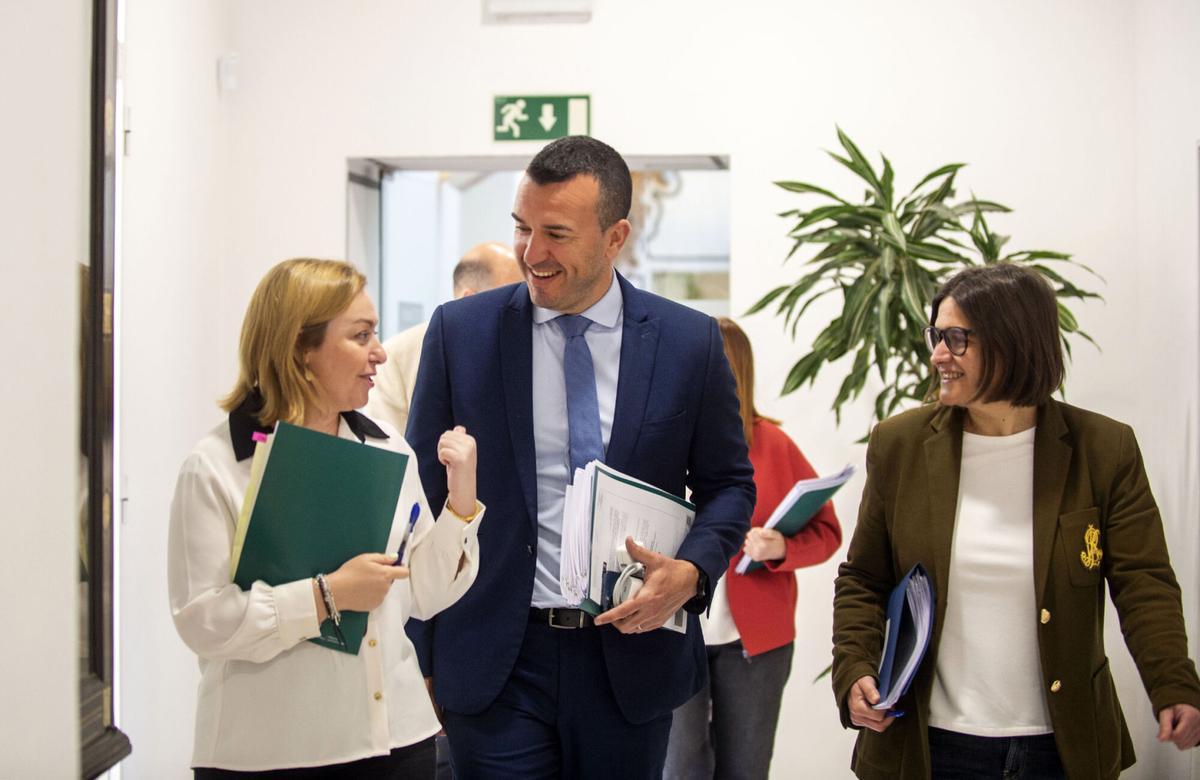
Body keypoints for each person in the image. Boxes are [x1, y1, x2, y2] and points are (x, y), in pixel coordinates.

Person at [404, 135, 756, 778]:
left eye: (557, 234)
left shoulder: (688, 341)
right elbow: (420, 495)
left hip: (631, 655)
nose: (531, 254)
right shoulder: (461, 334)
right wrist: (423, 652)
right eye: (522, 228)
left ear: (615, 236)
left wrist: (693, 573)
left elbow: (729, 484)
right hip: (495, 659)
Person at [832, 263, 1200, 779]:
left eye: (956, 339)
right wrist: (854, 671)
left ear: (1014, 341)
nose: (937, 354)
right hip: (930, 746)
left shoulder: (1104, 449)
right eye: (936, 335)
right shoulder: (901, 444)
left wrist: (1173, 683)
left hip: (1061, 748)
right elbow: (864, 579)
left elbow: (1145, 583)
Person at [168, 258, 486, 777]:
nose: (380, 353)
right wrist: (326, 596)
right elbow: (203, 621)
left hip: (398, 742)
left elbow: (423, 596)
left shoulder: (388, 448)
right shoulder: (217, 466)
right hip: (272, 752)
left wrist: (462, 503)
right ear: (299, 349)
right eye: (361, 336)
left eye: (375, 334)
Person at [665, 316, 843, 779]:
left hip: (755, 642)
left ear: (730, 370)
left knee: (745, 769)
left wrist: (780, 546)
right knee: (679, 767)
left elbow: (827, 532)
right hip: (673, 632)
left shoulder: (774, 444)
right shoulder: (660, 439)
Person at [365, 242, 523, 434]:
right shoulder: (398, 355)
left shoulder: (522, 352)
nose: (519, 308)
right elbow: (388, 448)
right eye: (508, 300)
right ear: (469, 300)